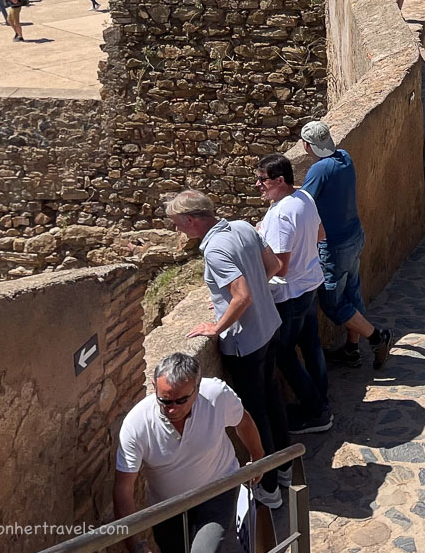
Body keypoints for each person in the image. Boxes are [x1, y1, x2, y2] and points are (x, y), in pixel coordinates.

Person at [166, 189, 291, 509]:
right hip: (269, 327)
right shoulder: (243, 227)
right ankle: (287, 468)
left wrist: (217, 326)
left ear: (192, 221)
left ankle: (270, 488)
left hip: (245, 341)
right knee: (273, 397)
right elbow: (274, 265)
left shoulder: (215, 250)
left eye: (178, 223)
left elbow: (242, 295)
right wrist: (243, 293)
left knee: (254, 411)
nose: (177, 230)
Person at [115, 352, 264, 553]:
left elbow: (243, 421)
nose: (172, 409)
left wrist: (258, 457)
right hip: (168, 505)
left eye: (181, 400)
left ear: (197, 387)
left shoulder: (216, 395)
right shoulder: (137, 424)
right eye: (164, 400)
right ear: (154, 387)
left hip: (216, 489)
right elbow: (123, 488)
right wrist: (135, 547)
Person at [299, 120, 393, 369]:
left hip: (334, 246)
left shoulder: (319, 171)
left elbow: (303, 204)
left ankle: (376, 337)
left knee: (331, 302)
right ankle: (351, 350)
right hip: (354, 236)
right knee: (352, 291)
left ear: (307, 146)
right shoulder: (345, 157)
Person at [255, 153, 332, 434]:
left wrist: (252, 285)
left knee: (284, 352)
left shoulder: (280, 214)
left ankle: (316, 411)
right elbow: (320, 234)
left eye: (262, 180)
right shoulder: (304, 198)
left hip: (291, 294)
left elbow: (281, 268)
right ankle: (321, 397)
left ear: (279, 180)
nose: (257, 185)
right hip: (310, 283)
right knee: (311, 344)